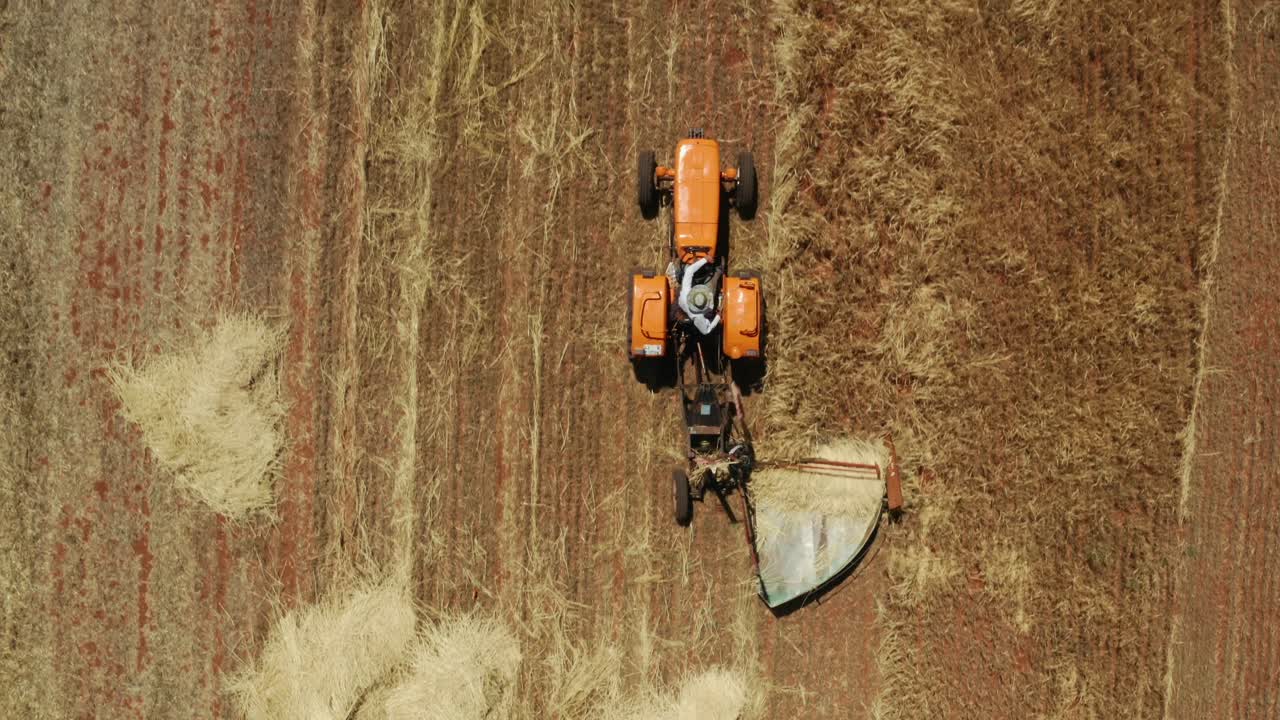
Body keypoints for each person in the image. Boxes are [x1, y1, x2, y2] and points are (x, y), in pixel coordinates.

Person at [677, 257, 721, 335]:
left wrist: (705, 259)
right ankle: (718, 270)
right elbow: (706, 331)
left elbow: (689, 271)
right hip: (688, 309)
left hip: (683, 303)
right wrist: (718, 316)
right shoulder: (698, 317)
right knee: (711, 283)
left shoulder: (685, 292)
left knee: (686, 269)